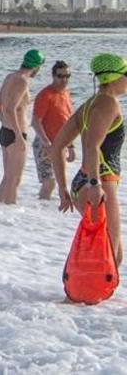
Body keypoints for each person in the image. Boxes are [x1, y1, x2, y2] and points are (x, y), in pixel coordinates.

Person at [51, 54, 127, 267]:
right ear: (113, 77)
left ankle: (81, 297)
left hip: (82, 182)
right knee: (108, 257)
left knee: (110, 255)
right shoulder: (108, 104)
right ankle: (78, 296)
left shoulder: (89, 104)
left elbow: (56, 147)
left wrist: (63, 188)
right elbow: (91, 146)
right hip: (99, 183)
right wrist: (95, 185)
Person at [0, 49, 44, 205]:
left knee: (8, 177)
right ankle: (10, 213)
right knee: (15, 180)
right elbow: (10, 108)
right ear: (36, 66)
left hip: (5, 131)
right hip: (16, 134)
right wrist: (18, 135)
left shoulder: (10, 77)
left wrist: (5, 123)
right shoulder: (23, 81)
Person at [32, 61, 74, 201]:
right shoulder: (45, 95)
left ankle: (51, 216)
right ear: (53, 76)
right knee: (49, 182)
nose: (64, 79)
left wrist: (71, 146)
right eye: (60, 76)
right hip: (45, 143)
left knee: (61, 182)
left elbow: (67, 121)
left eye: (67, 76)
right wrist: (46, 143)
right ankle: (41, 214)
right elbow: (35, 122)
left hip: (62, 143)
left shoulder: (66, 93)